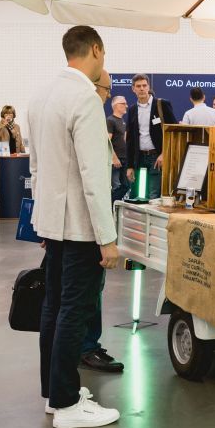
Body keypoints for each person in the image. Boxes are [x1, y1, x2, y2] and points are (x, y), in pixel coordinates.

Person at [25, 25, 121, 428]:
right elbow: (94, 175)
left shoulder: (41, 95)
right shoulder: (84, 98)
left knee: (54, 307)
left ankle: (54, 393)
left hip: (53, 223)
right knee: (75, 311)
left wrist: (42, 221)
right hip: (81, 226)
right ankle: (66, 404)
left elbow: (35, 166)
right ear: (95, 49)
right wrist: (108, 238)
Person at [81, 70, 125, 374]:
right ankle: (87, 348)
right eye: (107, 90)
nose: (108, 96)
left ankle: (82, 346)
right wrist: (107, 238)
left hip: (66, 224)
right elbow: (94, 183)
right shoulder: (91, 117)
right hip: (86, 226)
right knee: (89, 289)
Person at [124, 74, 177, 200]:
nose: (142, 89)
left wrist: (164, 154)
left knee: (154, 195)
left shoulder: (162, 105)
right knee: (140, 196)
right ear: (133, 89)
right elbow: (130, 140)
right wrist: (129, 166)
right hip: (140, 158)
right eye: (138, 86)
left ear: (148, 87)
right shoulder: (132, 109)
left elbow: (174, 131)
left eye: (144, 85)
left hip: (156, 157)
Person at [107, 95, 129, 203]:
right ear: (116, 105)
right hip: (115, 161)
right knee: (116, 187)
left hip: (124, 159)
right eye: (123, 103)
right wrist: (114, 158)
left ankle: (115, 207)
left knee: (125, 186)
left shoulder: (123, 121)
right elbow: (107, 141)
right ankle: (110, 208)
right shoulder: (110, 120)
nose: (126, 106)